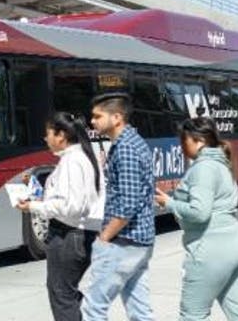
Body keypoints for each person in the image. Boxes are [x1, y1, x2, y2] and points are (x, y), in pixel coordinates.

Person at [155, 117, 238, 321]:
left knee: (192, 316)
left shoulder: (204, 168)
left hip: (210, 250)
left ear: (199, 140)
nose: (182, 146)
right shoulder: (222, 164)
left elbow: (200, 212)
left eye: (184, 140)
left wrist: (169, 203)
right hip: (235, 245)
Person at [16, 112, 104, 321]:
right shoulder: (84, 156)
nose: (46, 139)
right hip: (82, 234)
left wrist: (34, 206)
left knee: (62, 294)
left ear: (61, 135)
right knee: (65, 292)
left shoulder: (72, 161)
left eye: (48, 134)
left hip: (69, 235)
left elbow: (71, 207)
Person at [82, 92, 156, 321]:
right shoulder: (132, 142)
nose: (92, 121)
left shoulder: (126, 149)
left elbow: (127, 203)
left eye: (97, 116)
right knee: (139, 311)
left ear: (116, 117)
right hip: (138, 241)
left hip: (124, 241)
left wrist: (104, 237)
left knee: (93, 307)